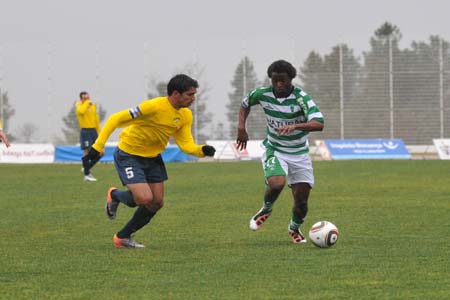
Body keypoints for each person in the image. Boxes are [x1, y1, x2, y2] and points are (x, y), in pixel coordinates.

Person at [84, 74, 216, 248]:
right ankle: (114, 194)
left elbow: (185, 144)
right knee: (144, 198)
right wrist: (97, 146)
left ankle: (123, 237)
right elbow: (115, 119)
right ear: (176, 93)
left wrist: (201, 151)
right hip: (129, 154)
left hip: (153, 158)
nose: (193, 98)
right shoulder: (153, 106)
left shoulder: (185, 115)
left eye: (194, 94)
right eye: (189, 95)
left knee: (156, 202)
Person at [236, 60, 324, 244]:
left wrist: (296, 125)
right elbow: (245, 104)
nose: (279, 85)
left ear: (291, 79)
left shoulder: (302, 98)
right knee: (277, 183)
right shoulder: (262, 94)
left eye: (283, 80)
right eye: (275, 80)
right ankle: (266, 209)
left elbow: (319, 123)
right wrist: (241, 128)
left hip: (299, 154)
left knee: (301, 203)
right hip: (275, 149)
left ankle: (294, 229)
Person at [75, 91, 103, 182]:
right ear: (81, 99)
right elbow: (81, 111)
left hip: (93, 131)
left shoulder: (93, 106)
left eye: (88, 98)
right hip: (85, 131)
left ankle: (86, 167)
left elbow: (96, 119)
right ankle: (87, 175)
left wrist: (100, 132)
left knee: (101, 153)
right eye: (85, 98)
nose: (87, 100)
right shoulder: (78, 105)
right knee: (86, 152)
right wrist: (87, 102)